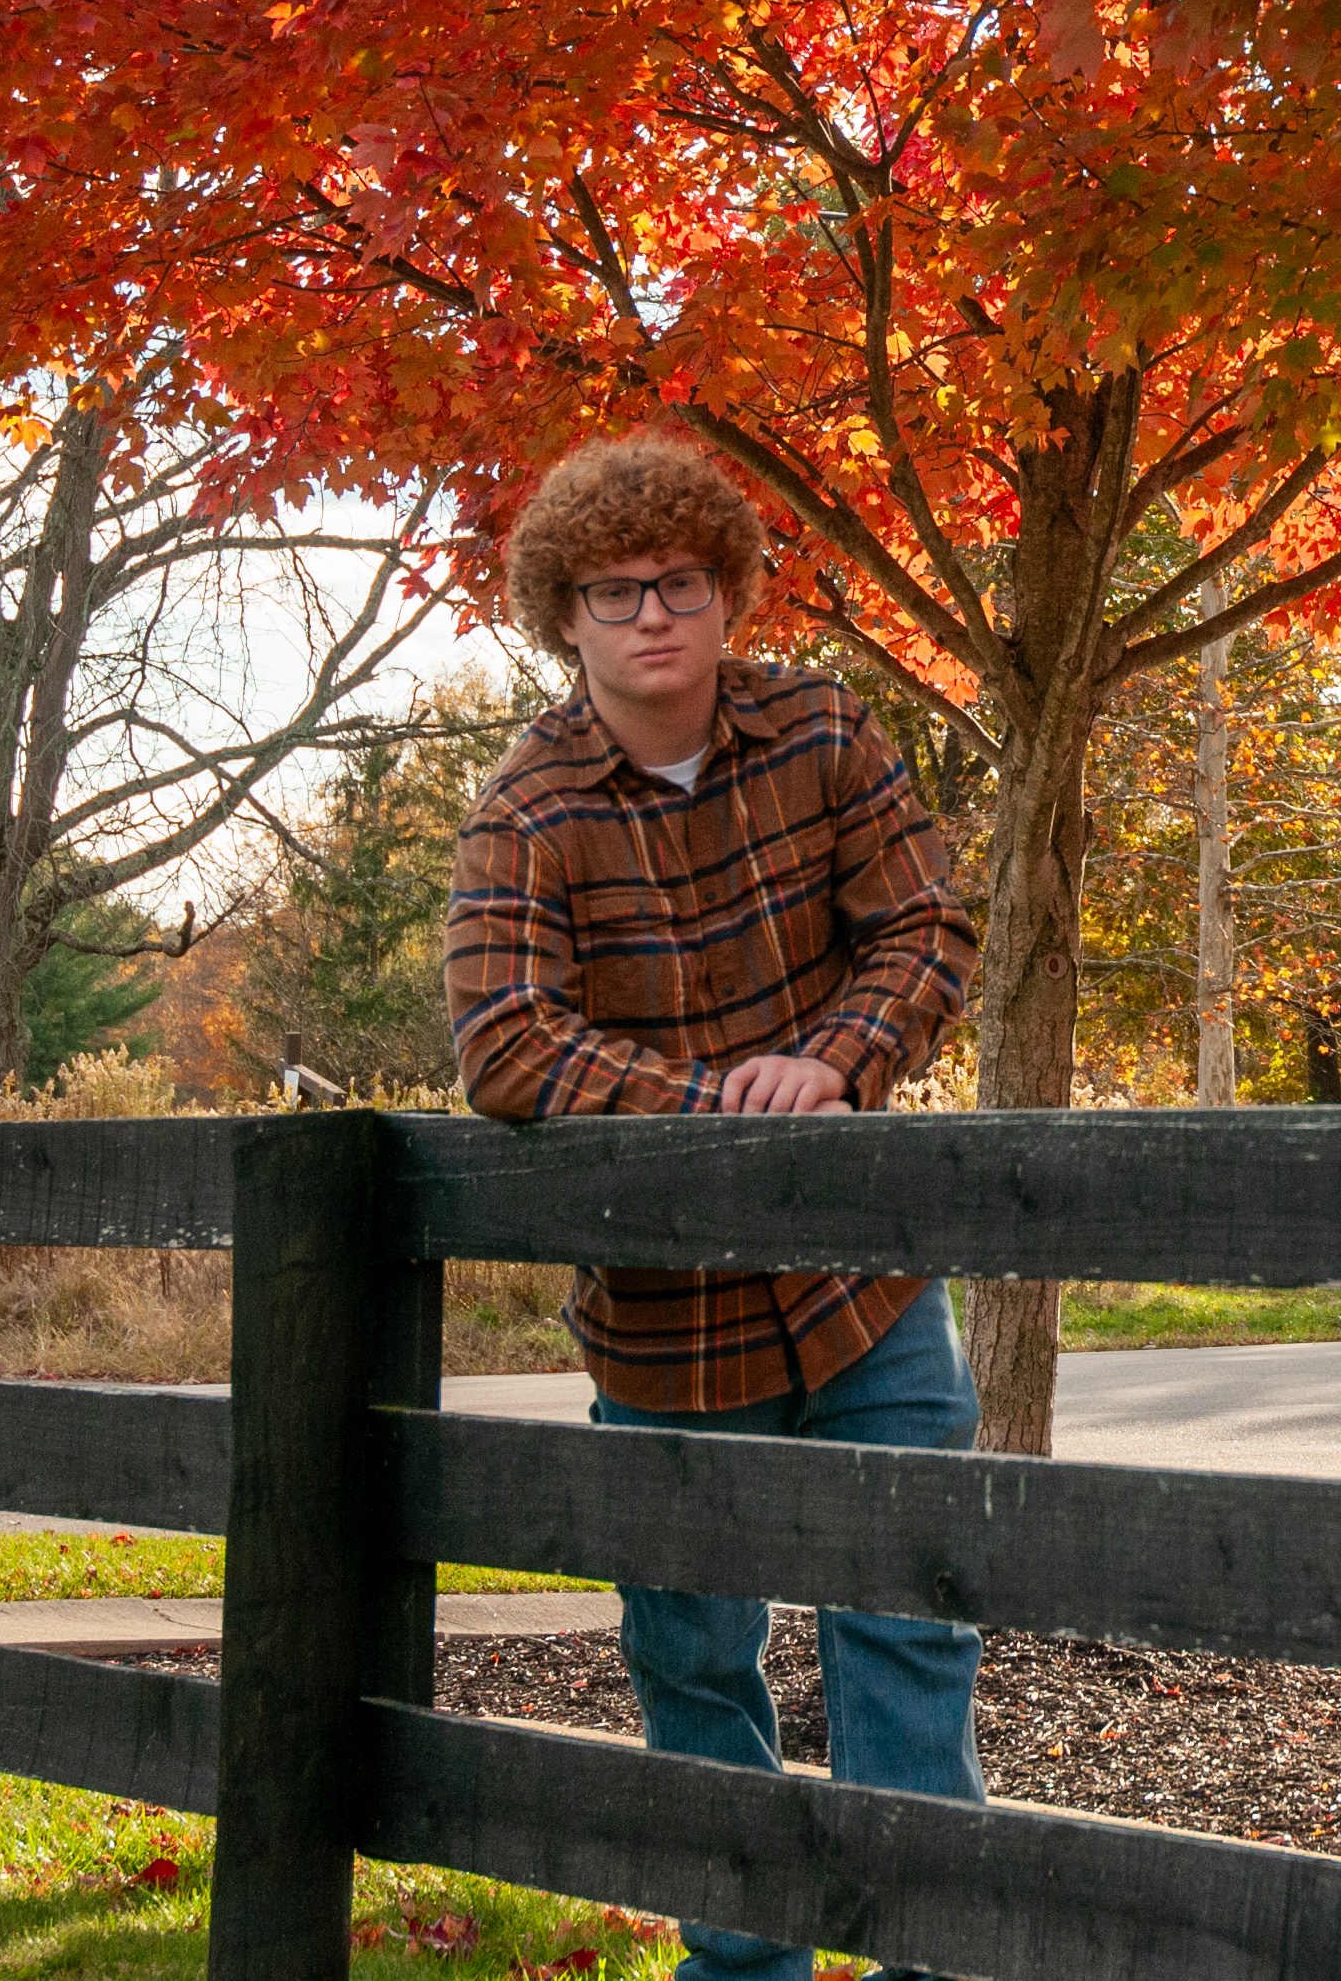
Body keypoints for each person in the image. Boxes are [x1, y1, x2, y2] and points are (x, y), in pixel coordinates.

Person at [448, 432, 980, 1981]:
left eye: (679, 581)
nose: (651, 616)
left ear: (728, 592)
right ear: (567, 618)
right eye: (612, 594)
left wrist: (831, 1060)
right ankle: (744, 1966)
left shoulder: (821, 728)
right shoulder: (529, 805)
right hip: (664, 1323)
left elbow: (928, 922)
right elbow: (502, 1039)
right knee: (690, 1657)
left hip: (863, 1284)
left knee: (907, 1622)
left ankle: (924, 1954)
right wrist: (718, 1108)